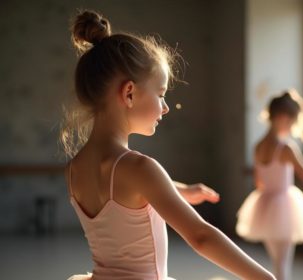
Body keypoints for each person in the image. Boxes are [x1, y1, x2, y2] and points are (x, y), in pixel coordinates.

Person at [62, 10, 275, 280]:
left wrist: (182, 190)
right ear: (129, 93)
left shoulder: (75, 169)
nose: (164, 108)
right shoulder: (140, 167)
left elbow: (128, 196)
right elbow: (200, 236)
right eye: (161, 94)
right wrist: (265, 278)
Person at [236, 89, 303, 280]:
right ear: (282, 117)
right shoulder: (285, 147)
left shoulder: (258, 146)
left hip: (265, 204)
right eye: (293, 120)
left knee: (277, 261)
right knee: (283, 263)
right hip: (283, 205)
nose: (294, 125)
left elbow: (258, 181)